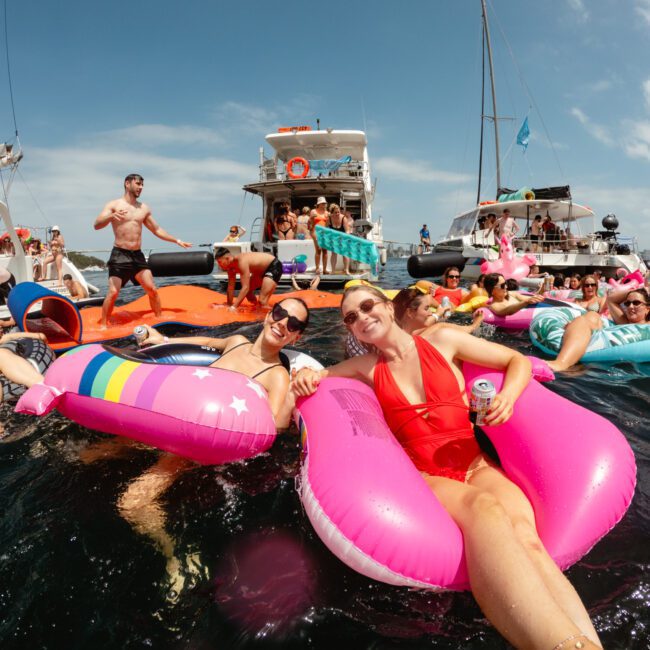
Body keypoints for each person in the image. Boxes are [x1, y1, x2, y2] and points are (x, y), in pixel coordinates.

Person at [292, 285, 601, 649]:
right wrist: (305, 375)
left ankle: (586, 644)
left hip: (476, 464)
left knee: (528, 539)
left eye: (367, 306)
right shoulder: (365, 368)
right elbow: (320, 377)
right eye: (351, 317)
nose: (361, 318)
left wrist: (507, 397)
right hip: (430, 477)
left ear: (390, 308)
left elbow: (514, 361)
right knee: (483, 509)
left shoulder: (442, 339)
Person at [115, 298, 310, 597]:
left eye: (293, 324)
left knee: (131, 504)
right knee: (91, 454)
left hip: (193, 444)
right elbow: (206, 341)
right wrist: (162, 339)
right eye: (281, 313)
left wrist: (291, 399)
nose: (283, 323)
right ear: (269, 315)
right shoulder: (236, 342)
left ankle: (176, 552)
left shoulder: (276, 375)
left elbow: (272, 429)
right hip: (168, 420)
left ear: (297, 336)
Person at [94, 174, 192, 329]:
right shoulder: (114, 205)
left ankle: (160, 319)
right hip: (120, 254)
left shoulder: (143, 208)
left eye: (142, 185)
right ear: (127, 183)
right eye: (138, 184)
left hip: (137, 255)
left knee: (152, 290)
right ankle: (103, 326)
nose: (141, 187)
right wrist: (111, 216)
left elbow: (157, 229)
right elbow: (97, 224)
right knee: (113, 293)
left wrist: (176, 240)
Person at [547, 288, 649, 372]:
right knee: (592, 315)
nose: (631, 307)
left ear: (648, 308)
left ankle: (562, 363)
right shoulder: (624, 321)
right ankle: (564, 361)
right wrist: (637, 290)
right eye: (627, 303)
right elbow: (611, 299)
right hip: (601, 355)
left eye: (636, 303)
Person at [215, 248, 281, 310]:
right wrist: (229, 305)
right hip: (260, 272)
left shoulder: (240, 261)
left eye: (220, 262)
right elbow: (230, 287)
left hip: (273, 266)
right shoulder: (230, 269)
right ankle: (256, 306)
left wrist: (234, 307)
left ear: (227, 258)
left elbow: (245, 287)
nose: (219, 265)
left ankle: (278, 314)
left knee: (262, 301)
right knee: (248, 293)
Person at [0, 332, 49, 404]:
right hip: (35, 363)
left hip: (34, 356)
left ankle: (45, 387)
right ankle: (46, 388)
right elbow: (42, 336)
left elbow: (41, 336)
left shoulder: (5, 339)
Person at [328, 203, 351, 274]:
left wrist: (344, 237)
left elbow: (347, 230)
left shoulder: (343, 218)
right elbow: (326, 229)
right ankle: (333, 270)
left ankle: (346, 270)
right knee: (334, 253)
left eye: (338, 212)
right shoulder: (329, 218)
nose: (337, 213)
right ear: (331, 213)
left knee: (345, 253)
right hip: (334, 238)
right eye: (335, 212)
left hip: (343, 237)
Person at [309, 197, 330, 274]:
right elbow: (310, 223)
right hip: (315, 231)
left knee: (325, 251)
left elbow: (327, 225)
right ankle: (317, 268)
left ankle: (324, 269)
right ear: (319, 204)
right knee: (318, 250)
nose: (324, 205)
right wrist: (311, 218)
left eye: (325, 203)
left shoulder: (327, 213)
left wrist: (328, 220)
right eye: (323, 203)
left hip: (324, 233)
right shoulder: (313, 211)